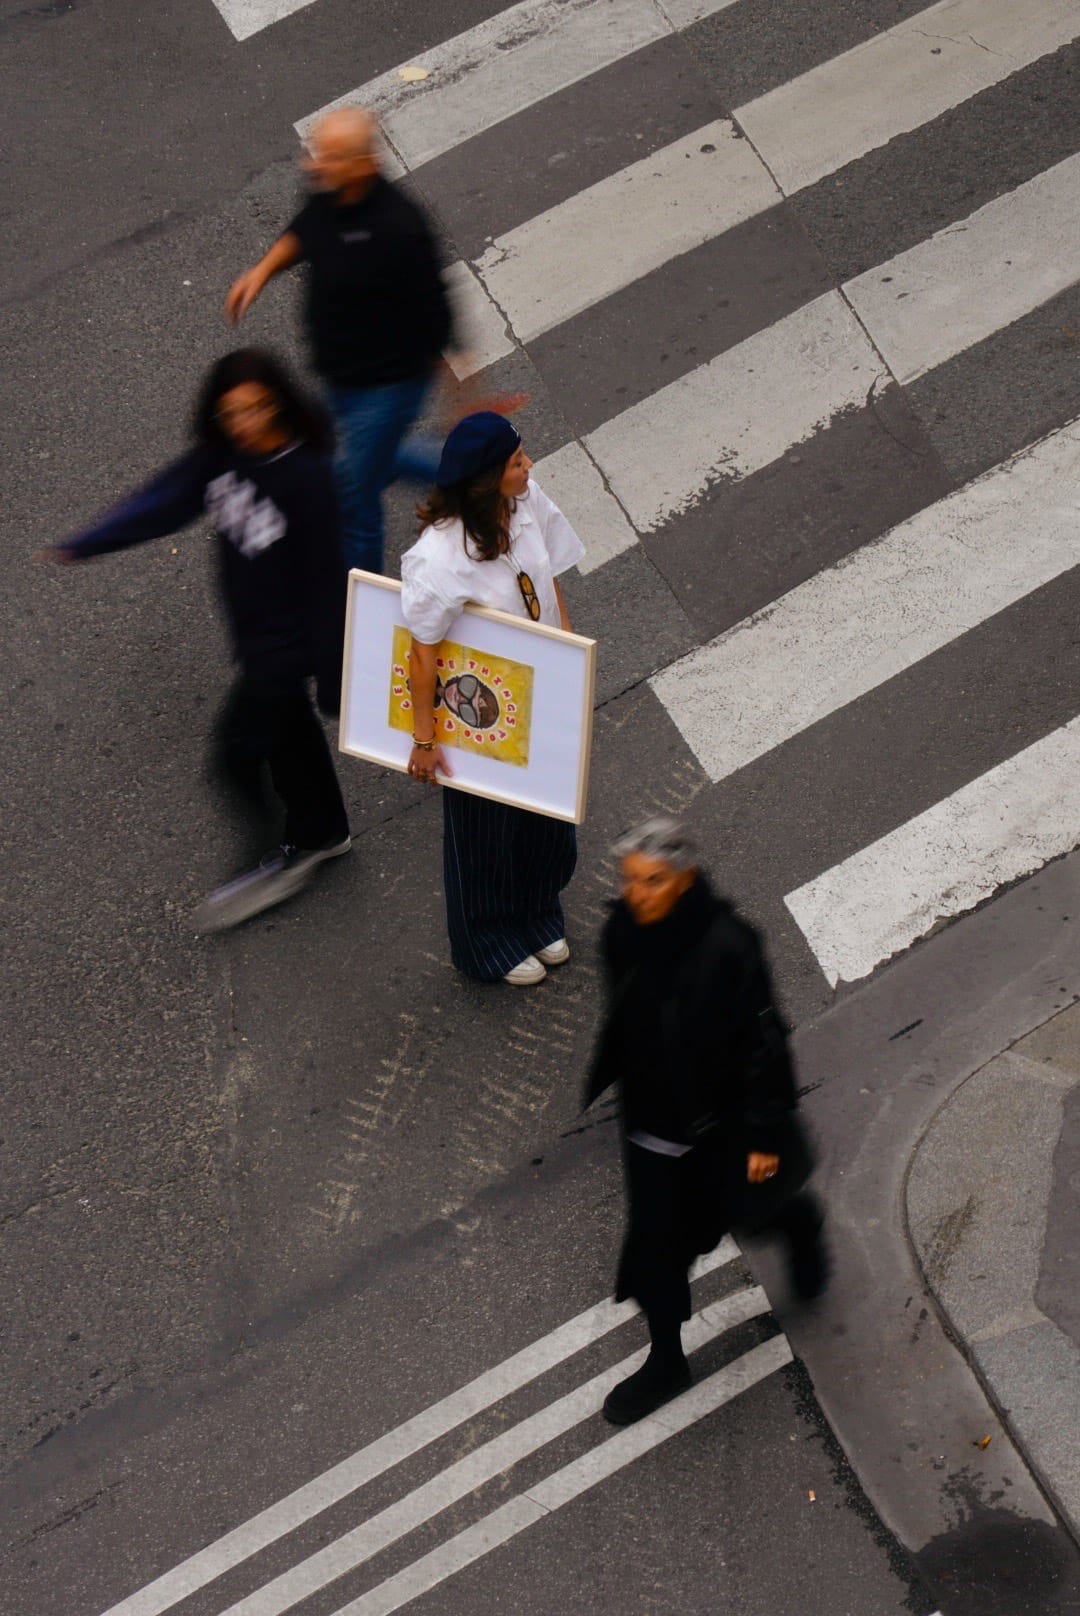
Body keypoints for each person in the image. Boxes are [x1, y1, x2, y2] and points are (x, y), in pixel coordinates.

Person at [44, 349, 352, 931]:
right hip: (254, 637)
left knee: (235, 756)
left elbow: (327, 582)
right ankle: (324, 831)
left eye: (258, 409)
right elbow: (167, 500)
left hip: (280, 653)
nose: (246, 424)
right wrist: (90, 541)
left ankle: (287, 851)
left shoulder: (305, 477)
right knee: (291, 740)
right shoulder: (222, 456)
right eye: (232, 413)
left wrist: (335, 678)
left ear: (280, 404)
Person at [583, 818, 827, 1426]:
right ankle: (667, 1360)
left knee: (749, 1210)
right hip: (650, 1131)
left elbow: (763, 1044)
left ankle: (795, 1221)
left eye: (655, 881)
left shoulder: (728, 946)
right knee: (655, 1256)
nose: (639, 894)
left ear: (685, 880)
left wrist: (765, 1132)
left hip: (720, 1131)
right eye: (632, 881)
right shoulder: (621, 933)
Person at [225, 106, 454, 577]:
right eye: (316, 154)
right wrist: (262, 271)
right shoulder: (329, 192)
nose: (314, 166)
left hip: (389, 387)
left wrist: (462, 395)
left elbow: (439, 317)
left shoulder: (401, 227)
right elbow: (306, 230)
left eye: (330, 157)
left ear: (365, 164)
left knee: (356, 495)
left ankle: (361, 603)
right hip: (338, 376)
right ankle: (470, 472)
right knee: (371, 460)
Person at [400, 411, 583, 986]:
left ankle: (536, 912)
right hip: (482, 710)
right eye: (515, 462)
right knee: (485, 834)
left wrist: (569, 661)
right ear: (485, 481)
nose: (528, 466)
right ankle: (487, 941)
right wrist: (424, 739)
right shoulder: (438, 560)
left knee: (548, 821)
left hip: (542, 689)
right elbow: (422, 655)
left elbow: (550, 580)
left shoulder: (525, 503)